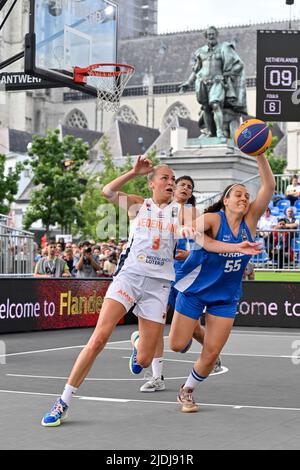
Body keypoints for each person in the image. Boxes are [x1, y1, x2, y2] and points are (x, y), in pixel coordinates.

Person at [41, 157, 260, 426]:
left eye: (173, 179)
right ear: (152, 183)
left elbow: (209, 244)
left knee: (145, 359)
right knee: (98, 338)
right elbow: (107, 192)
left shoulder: (186, 212)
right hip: (130, 277)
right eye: (165, 178)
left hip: (159, 286)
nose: (171, 183)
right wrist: (132, 172)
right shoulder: (138, 205)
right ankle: (63, 401)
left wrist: (237, 248)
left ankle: (137, 345)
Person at [169, 152, 275, 412]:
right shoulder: (214, 219)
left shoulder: (250, 221)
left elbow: (269, 185)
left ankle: (187, 391)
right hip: (195, 290)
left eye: (247, 195)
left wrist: (260, 153)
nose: (244, 197)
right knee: (177, 345)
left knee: (212, 352)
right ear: (225, 200)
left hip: (225, 296)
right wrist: (231, 245)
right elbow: (196, 231)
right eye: (238, 194)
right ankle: (189, 330)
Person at [139, 175, 220, 394]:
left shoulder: (196, 216)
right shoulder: (159, 211)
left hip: (187, 276)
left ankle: (212, 353)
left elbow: (206, 246)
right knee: (156, 322)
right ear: (173, 188)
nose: (186, 188)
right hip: (162, 273)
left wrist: (188, 255)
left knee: (192, 330)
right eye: (182, 184)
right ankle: (157, 377)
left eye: (190, 187)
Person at [179, 26, 247, 138]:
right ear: (206, 36)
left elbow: (239, 64)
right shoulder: (200, 52)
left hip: (217, 82)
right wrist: (188, 82)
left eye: (213, 34)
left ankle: (219, 132)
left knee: (215, 105)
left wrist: (227, 73)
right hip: (202, 82)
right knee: (206, 108)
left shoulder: (224, 48)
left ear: (217, 35)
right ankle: (210, 132)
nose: (211, 36)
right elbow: (196, 70)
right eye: (209, 34)